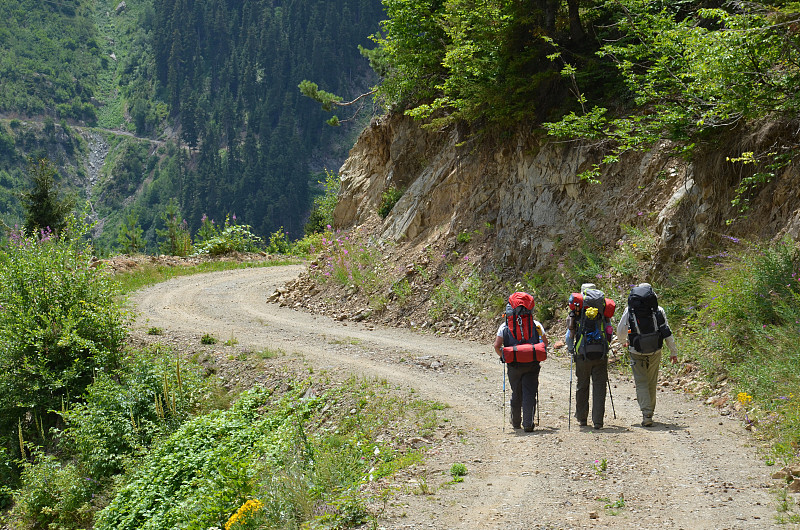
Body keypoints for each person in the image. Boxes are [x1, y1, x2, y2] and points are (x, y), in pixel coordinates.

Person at [616, 283, 679, 427]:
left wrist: (623, 342)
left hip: (636, 351)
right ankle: (650, 412)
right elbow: (666, 332)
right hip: (655, 351)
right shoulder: (659, 310)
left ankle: (646, 413)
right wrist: (673, 352)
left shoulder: (630, 310)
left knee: (641, 381)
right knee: (652, 381)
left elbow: (621, 330)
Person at [493, 292, 548, 432]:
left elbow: (496, 345)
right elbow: (545, 343)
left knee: (516, 392)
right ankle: (528, 423)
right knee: (530, 391)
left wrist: (503, 357)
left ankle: (516, 422)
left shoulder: (504, 326)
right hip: (532, 364)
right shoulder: (536, 325)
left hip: (514, 365)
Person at [566, 283, 615, 430]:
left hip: (582, 352)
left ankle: (582, 419)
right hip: (600, 353)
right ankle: (598, 421)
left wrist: (570, 349)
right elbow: (609, 330)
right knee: (600, 386)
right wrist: (606, 345)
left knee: (582, 385)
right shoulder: (603, 308)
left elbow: (570, 334)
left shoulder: (576, 309)